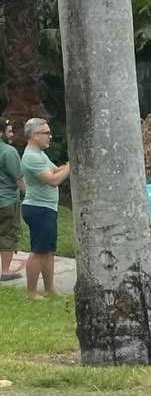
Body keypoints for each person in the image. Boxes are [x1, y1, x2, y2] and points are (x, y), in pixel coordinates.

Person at [21, 118, 70, 300]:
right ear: (34, 136)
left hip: (47, 208)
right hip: (38, 208)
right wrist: (72, 165)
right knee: (38, 252)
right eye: (46, 133)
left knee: (48, 250)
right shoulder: (31, 157)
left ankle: (50, 288)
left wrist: (66, 167)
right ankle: (32, 292)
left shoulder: (39, 154)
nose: (50, 136)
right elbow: (53, 180)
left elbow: (55, 171)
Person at [0, 119, 25, 281]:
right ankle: (6, 271)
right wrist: (29, 195)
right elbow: (19, 179)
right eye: (8, 131)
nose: (11, 134)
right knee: (8, 235)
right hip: (7, 200)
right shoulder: (8, 152)